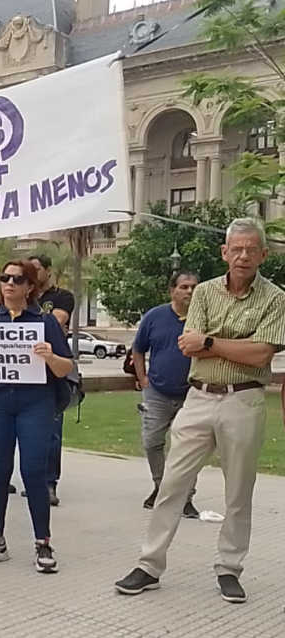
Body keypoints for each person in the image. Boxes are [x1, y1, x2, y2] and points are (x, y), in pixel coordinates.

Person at [114, 218, 285, 605]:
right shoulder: (204, 292)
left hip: (244, 400)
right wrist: (231, 344)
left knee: (238, 491)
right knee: (172, 485)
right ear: (224, 252)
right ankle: (149, 564)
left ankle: (229, 568)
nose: (243, 256)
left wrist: (210, 341)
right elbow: (188, 345)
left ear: (263, 254)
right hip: (199, 398)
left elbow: (261, 354)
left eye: (251, 249)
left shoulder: (275, 299)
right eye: (236, 249)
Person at [0, 260, 74, 573]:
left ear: (30, 287)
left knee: (33, 472)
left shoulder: (44, 322)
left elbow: (66, 368)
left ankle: (43, 541)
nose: (8, 283)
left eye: (17, 279)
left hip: (35, 402)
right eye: (5, 278)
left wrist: (50, 357)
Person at [132, 271, 201, 518]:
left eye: (194, 287)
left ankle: (185, 497)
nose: (190, 291)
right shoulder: (155, 316)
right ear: (172, 291)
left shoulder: (203, 317)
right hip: (157, 393)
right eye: (184, 287)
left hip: (193, 394)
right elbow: (138, 349)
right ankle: (161, 487)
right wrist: (143, 379)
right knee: (152, 441)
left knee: (189, 448)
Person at [29, 254, 75, 506]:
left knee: (52, 432)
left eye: (37, 269)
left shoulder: (62, 297)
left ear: (48, 271)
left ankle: (49, 483)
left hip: (51, 370)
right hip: (24, 371)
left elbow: (56, 321)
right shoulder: (25, 296)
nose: (33, 274)